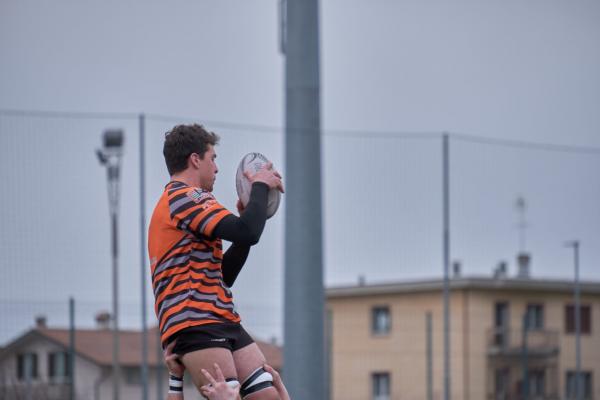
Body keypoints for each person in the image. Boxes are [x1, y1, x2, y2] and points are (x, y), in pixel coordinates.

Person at [149, 124, 286, 399]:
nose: (217, 168)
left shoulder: (186, 203)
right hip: (195, 319)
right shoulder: (183, 197)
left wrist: (248, 216)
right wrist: (259, 184)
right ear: (195, 159)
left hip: (221, 316)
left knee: (268, 395)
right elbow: (248, 230)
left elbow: (224, 276)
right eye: (212, 158)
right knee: (227, 396)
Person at [163, 341, 290, 400]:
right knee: (264, 387)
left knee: (226, 388)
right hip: (227, 315)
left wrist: (175, 377)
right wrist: (279, 385)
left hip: (189, 315)